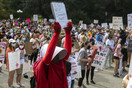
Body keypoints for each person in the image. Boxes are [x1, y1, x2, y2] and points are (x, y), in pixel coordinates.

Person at [33, 21, 72, 88]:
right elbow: (48, 55)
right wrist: (56, 34)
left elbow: (67, 53)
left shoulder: (60, 63)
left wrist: (68, 33)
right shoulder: (43, 67)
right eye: (56, 54)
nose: (58, 56)